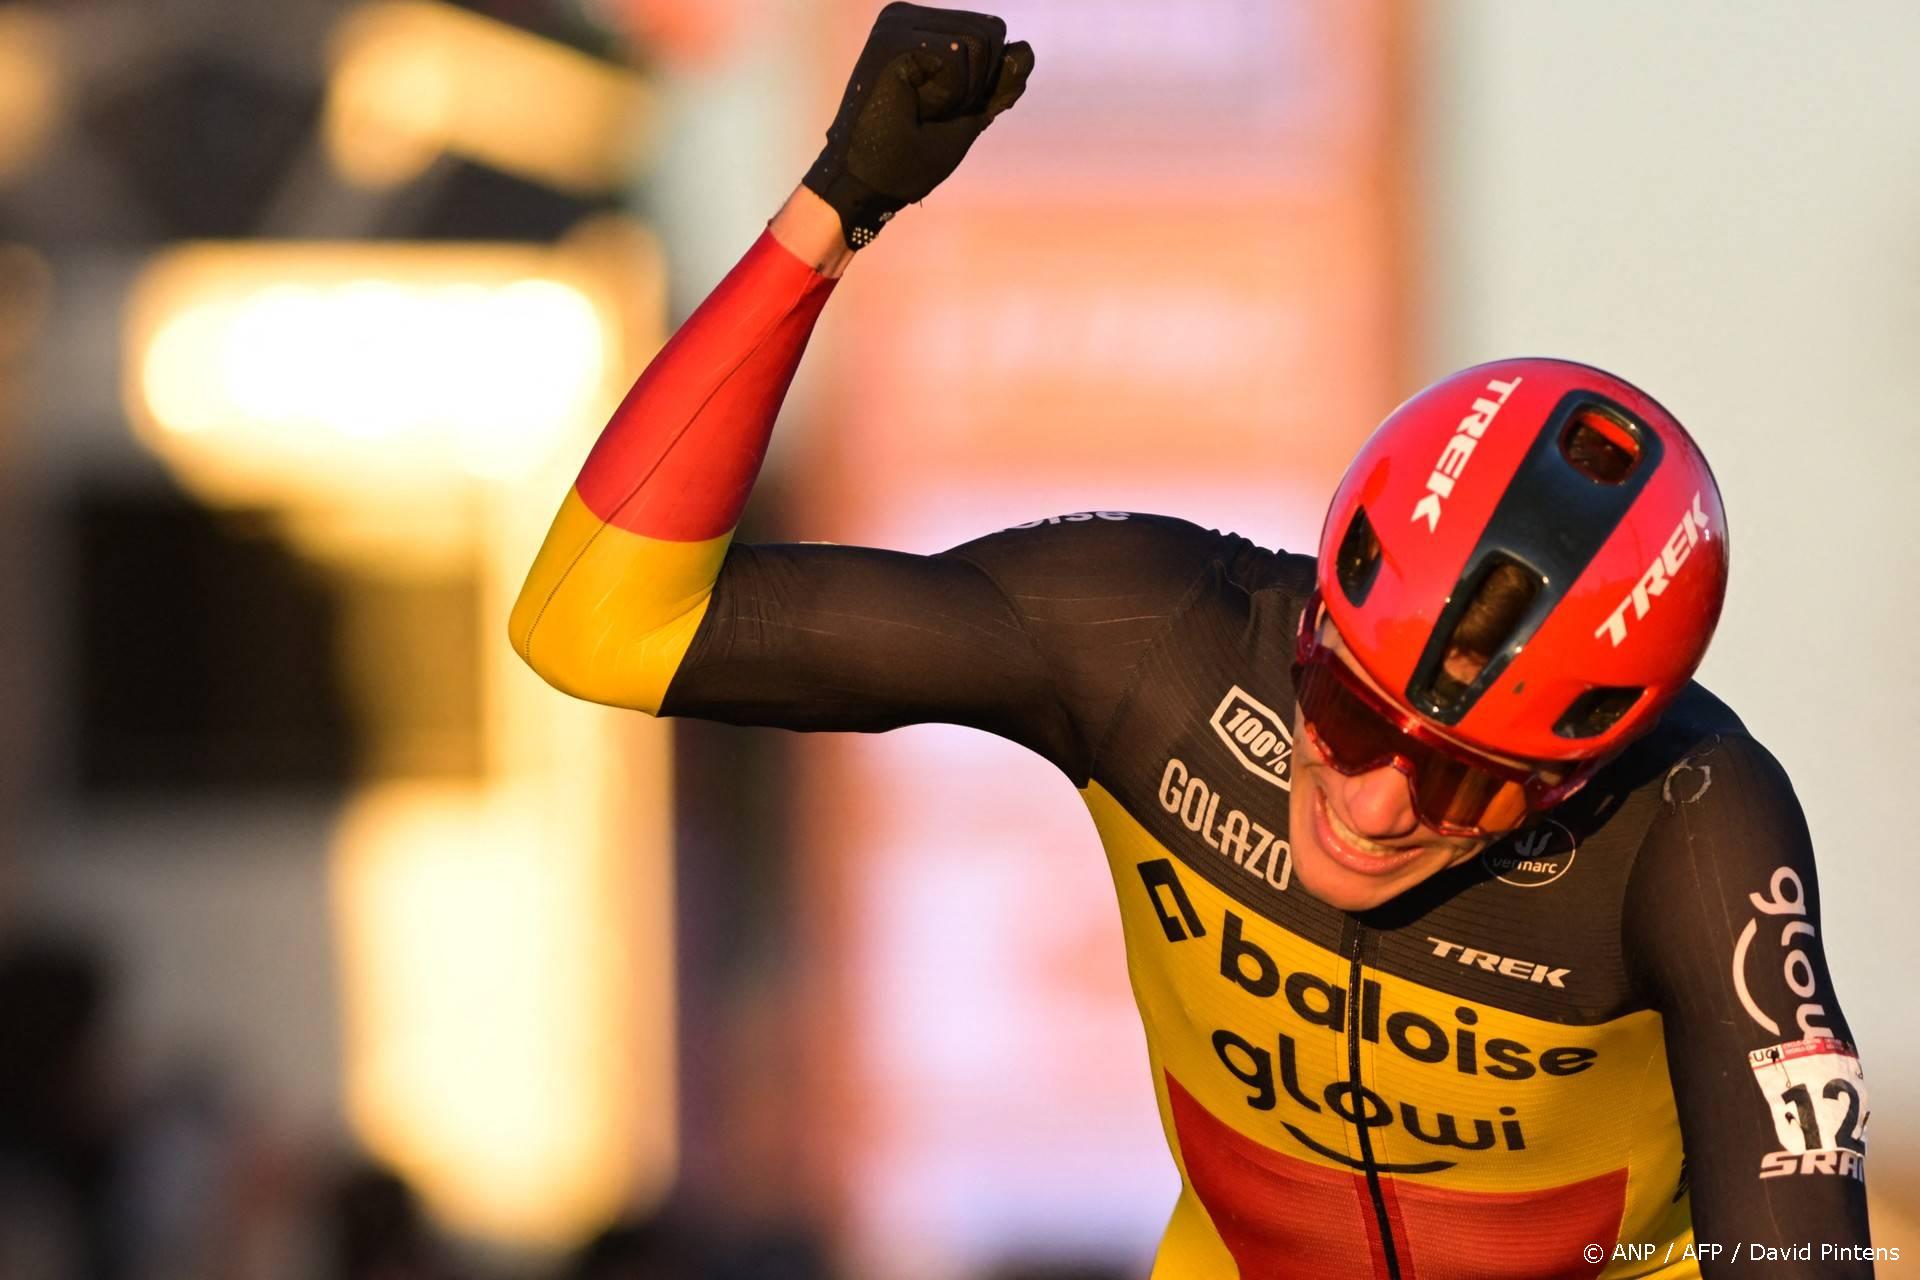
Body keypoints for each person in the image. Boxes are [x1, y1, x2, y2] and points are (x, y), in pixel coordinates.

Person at [510, 5, 1876, 1276]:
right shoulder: (1149, 639)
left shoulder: (1691, 819)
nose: (1375, 806)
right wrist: (833, 209)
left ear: (1576, 775)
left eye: (1465, 781)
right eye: (1348, 716)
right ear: (1314, 630)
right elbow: (596, 624)